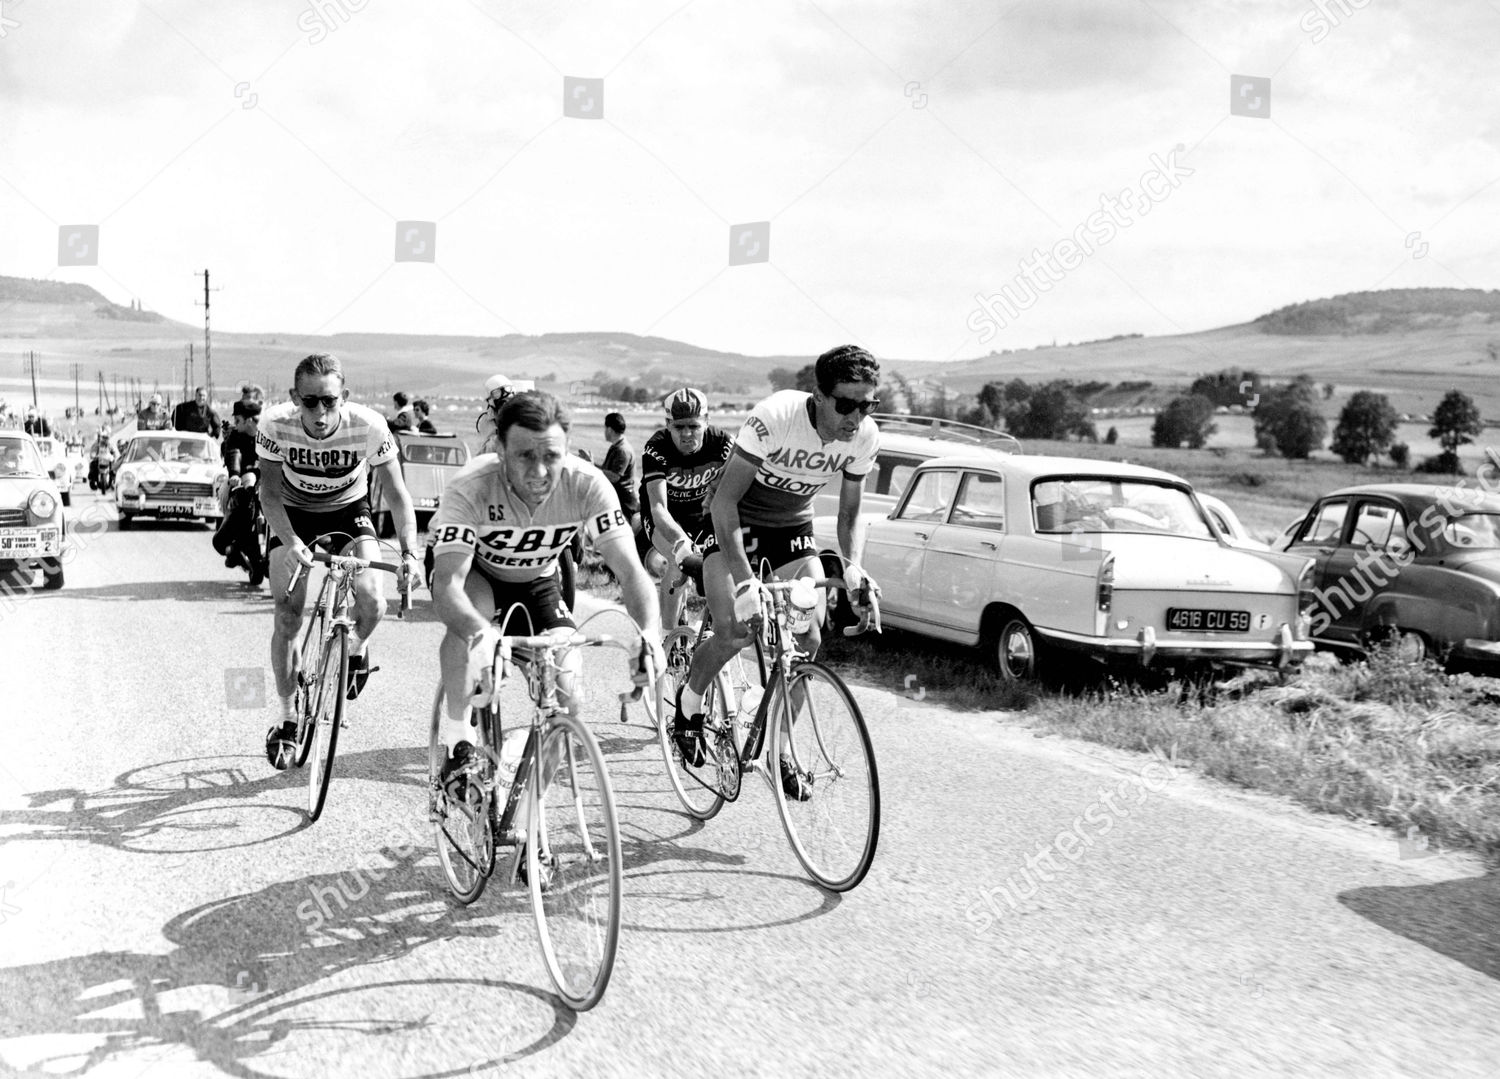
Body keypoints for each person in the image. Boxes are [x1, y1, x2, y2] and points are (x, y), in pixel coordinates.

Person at [428, 389, 665, 812]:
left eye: (551, 456)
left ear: (568, 450)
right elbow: (447, 585)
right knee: (474, 624)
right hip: (477, 573)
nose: (539, 472)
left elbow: (630, 572)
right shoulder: (472, 485)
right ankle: (459, 738)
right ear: (499, 449)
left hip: (538, 579)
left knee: (568, 699)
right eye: (523, 456)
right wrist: (482, 636)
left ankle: (524, 814)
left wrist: (650, 637)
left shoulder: (587, 484)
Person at [673, 344, 884, 798]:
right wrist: (747, 580)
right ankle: (688, 705)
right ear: (818, 395)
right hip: (735, 521)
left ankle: (779, 749)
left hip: (791, 528)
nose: (856, 417)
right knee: (736, 630)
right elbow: (725, 501)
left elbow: (849, 518)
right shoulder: (777, 416)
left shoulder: (864, 437)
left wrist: (854, 570)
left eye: (867, 405)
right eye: (846, 404)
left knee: (808, 641)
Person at [258, 353, 422, 768]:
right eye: (309, 401)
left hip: (349, 509)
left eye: (329, 401)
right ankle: (288, 717)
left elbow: (399, 496)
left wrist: (410, 555)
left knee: (373, 600)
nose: (319, 411)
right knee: (287, 614)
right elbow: (270, 494)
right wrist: (291, 541)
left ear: (343, 397)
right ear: (295, 398)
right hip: (293, 511)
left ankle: (357, 648)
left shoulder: (369, 426)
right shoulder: (275, 424)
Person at [639, 387, 733, 628]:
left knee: (718, 561)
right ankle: (668, 638)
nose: (687, 434)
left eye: (694, 426)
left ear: (706, 421)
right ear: (668, 424)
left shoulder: (723, 444)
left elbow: (731, 496)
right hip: (664, 515)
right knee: (677, 558)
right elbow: (659, 507)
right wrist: (681, 542)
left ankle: (714, 626)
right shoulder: (656, 448)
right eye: (679, 427)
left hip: (700, 512)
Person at [213, 400, 262, 569]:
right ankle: (234, 544)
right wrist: (234, 474)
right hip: (242, 480)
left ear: (249, 420)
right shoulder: (235, 435)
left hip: (266, 481)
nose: (235, 424)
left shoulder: (268, 434)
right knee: (225, 493)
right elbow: (234, 453)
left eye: (238, 420)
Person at [600, 412, 642, 543]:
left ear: (610, 429)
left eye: (605, 428)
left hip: (624, 502)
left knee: (624, 540)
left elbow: (614, 477)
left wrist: (592, 467)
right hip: (619, 500)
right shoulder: (617, 447)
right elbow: (607, 471)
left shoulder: (622, 450)